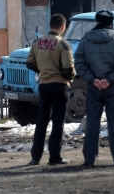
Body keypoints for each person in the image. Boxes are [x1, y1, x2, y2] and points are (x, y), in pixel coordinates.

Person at [74, 9, 114, 167]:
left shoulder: (85, 41)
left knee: (92, 122)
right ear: (111, 22)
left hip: (93, 88)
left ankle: (89, 159)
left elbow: (79, 63)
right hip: (113, 88)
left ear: (97, 22)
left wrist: (93, 80)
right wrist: (109, 80)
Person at [25, 14, 75, 166]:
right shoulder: (63, 44)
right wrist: (69, 77)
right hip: (60, 86)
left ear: (49, 24)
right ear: (63, 27)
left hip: (44, 85)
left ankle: (35, 157)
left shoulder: (37, 42)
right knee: (57, 122)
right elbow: (68, 68)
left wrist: (42, 71)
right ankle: (54, 157)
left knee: (42, 121)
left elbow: (29, 63)